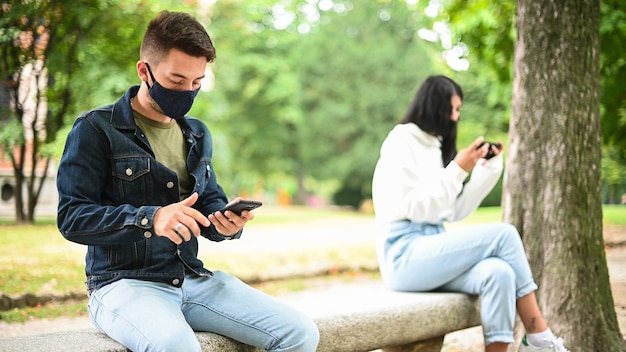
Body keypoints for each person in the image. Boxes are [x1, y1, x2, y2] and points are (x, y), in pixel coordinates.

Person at [56, 10, 319, 352]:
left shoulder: (197, 133)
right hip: (123, 285)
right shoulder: (95, 129)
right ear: (144, 70)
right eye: (177, 80)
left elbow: (209, 203)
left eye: (196, 83)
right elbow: (73, 217)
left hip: (192, 279)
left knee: (300, 332)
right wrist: (152, 218)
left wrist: (225, 224)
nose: (187, 91)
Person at [371, 75, 569, 352]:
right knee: (504, 233)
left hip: (430, 250)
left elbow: (453, 211)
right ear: (432, 106)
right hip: (402, 254)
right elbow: (414, 207)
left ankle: (520, 345)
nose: (454, 117)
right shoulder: (401, 141)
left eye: (458, 110)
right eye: (450, 109)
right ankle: (539, 336)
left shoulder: (435, 146)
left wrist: (486, 169)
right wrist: (458, 169)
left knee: (500, 273)